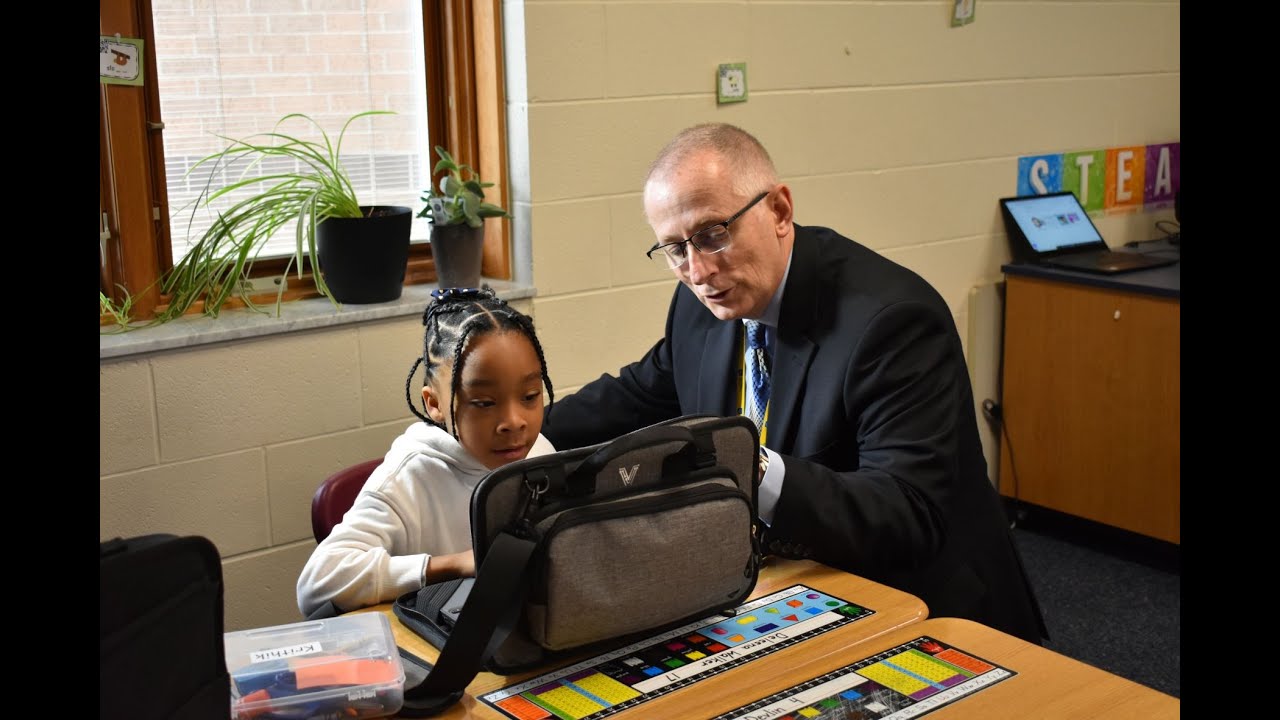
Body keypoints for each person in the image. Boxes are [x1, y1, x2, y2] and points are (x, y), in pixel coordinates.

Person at [542, 123, 1047, 643]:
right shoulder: (703, 302)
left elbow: (907, 513)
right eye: (674, 249)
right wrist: (516, 432)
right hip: (793, 585)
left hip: (926, 605)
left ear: (780, 211)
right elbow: (638, 393)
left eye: (713, 234)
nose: (697, 270)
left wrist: (750, 465)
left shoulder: (893, 322)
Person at [297, 287, 557, 619]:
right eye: (484, 403)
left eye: (530, 396)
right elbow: (316, 585)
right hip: (435, 642)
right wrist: (455, 564)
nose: (514, 421)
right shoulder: (407, 477)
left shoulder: (540, 452)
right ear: (434, 403)